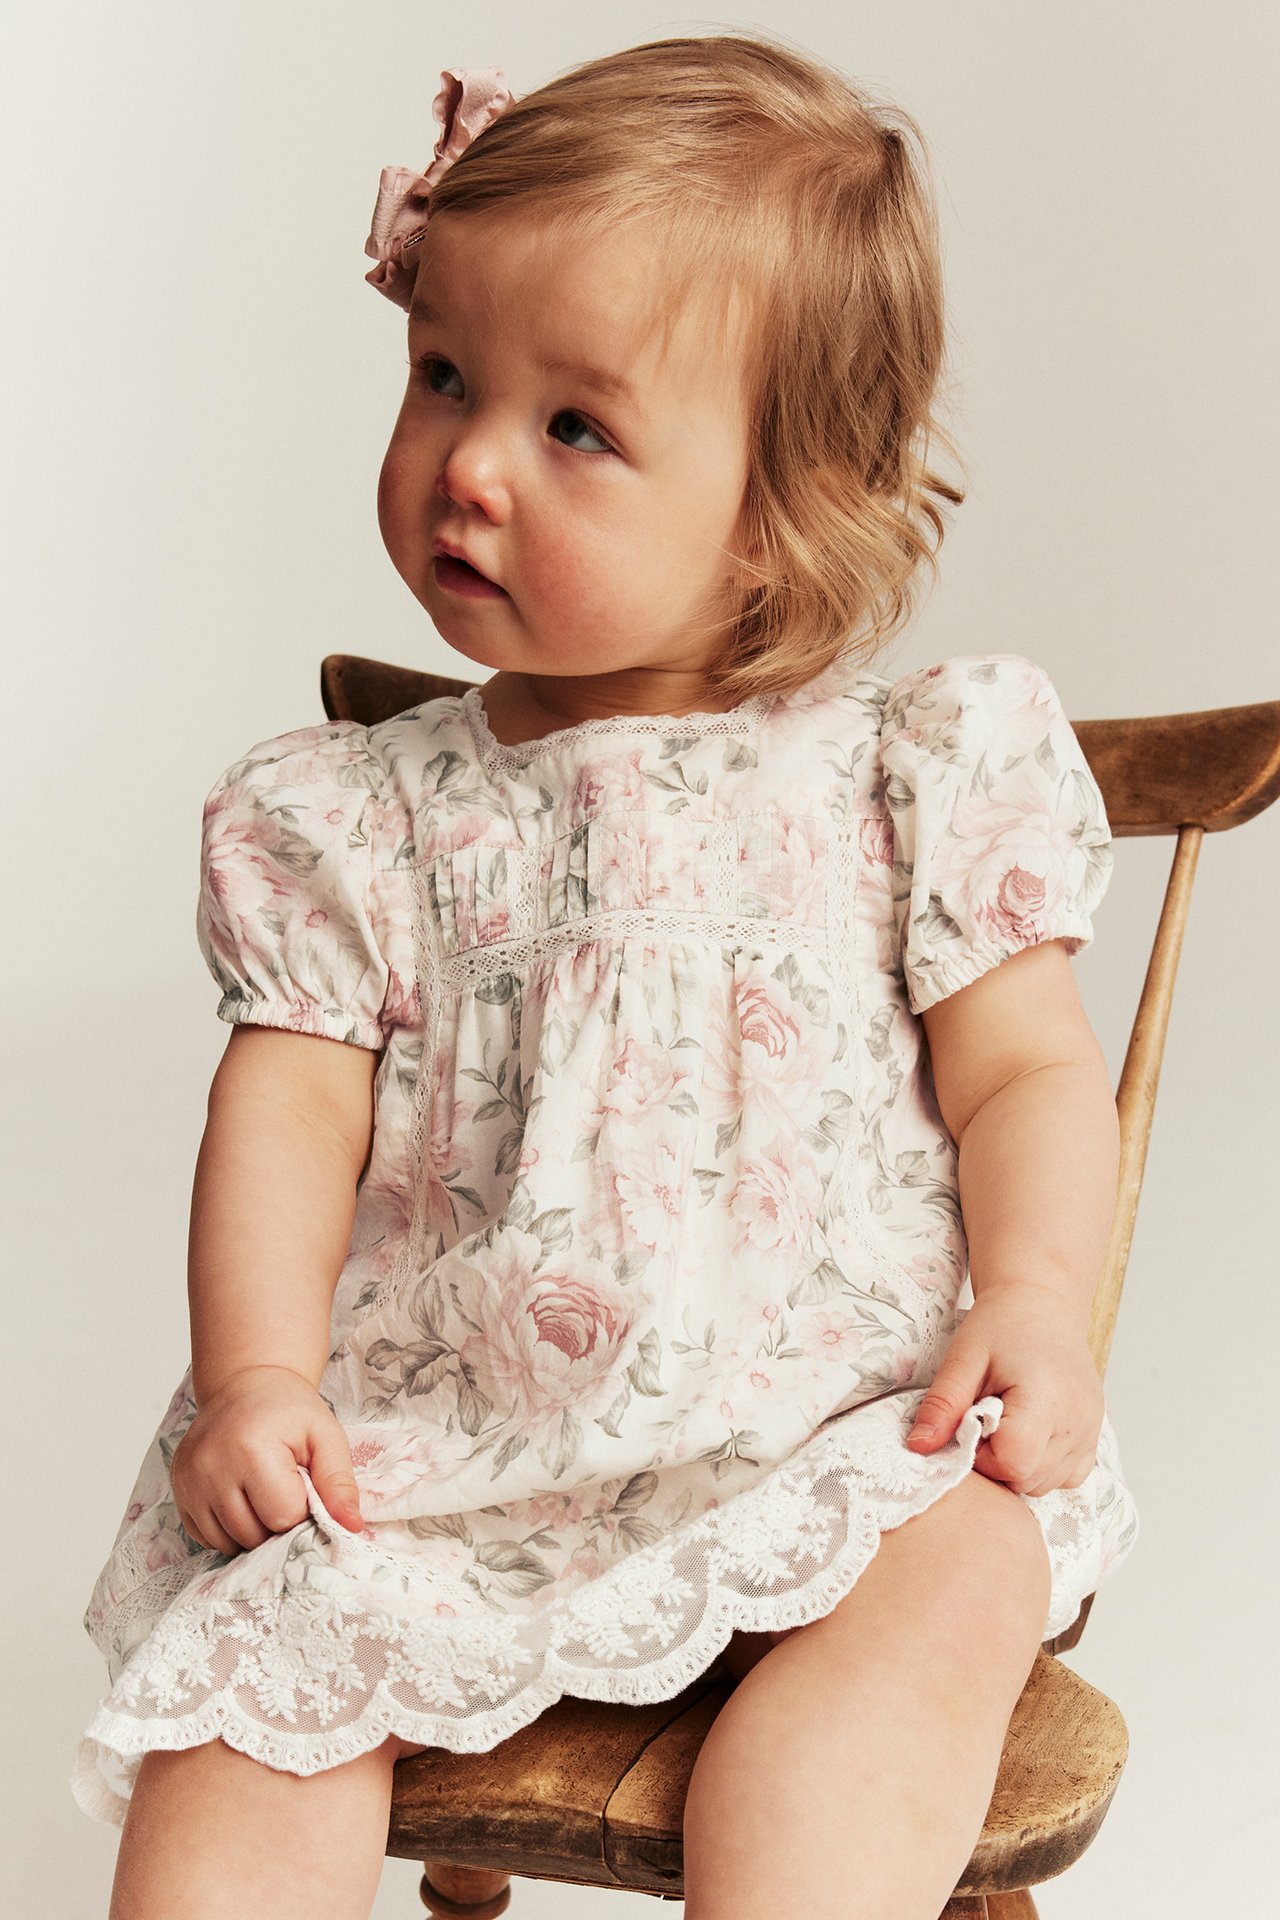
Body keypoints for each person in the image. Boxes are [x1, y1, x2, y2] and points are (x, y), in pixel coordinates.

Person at [73, 33, 1139, 1920]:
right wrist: (255, 1372)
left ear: (783, 507)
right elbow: (290, 1109)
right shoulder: (359, 812)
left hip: (838, 1436)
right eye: (442, 378)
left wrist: (1040, 1307)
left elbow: (1029, 1078)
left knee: (953, 1577)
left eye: (574, 426)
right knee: (251, 1708)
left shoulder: (911, 773)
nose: (466, 464)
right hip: (447, 1469)